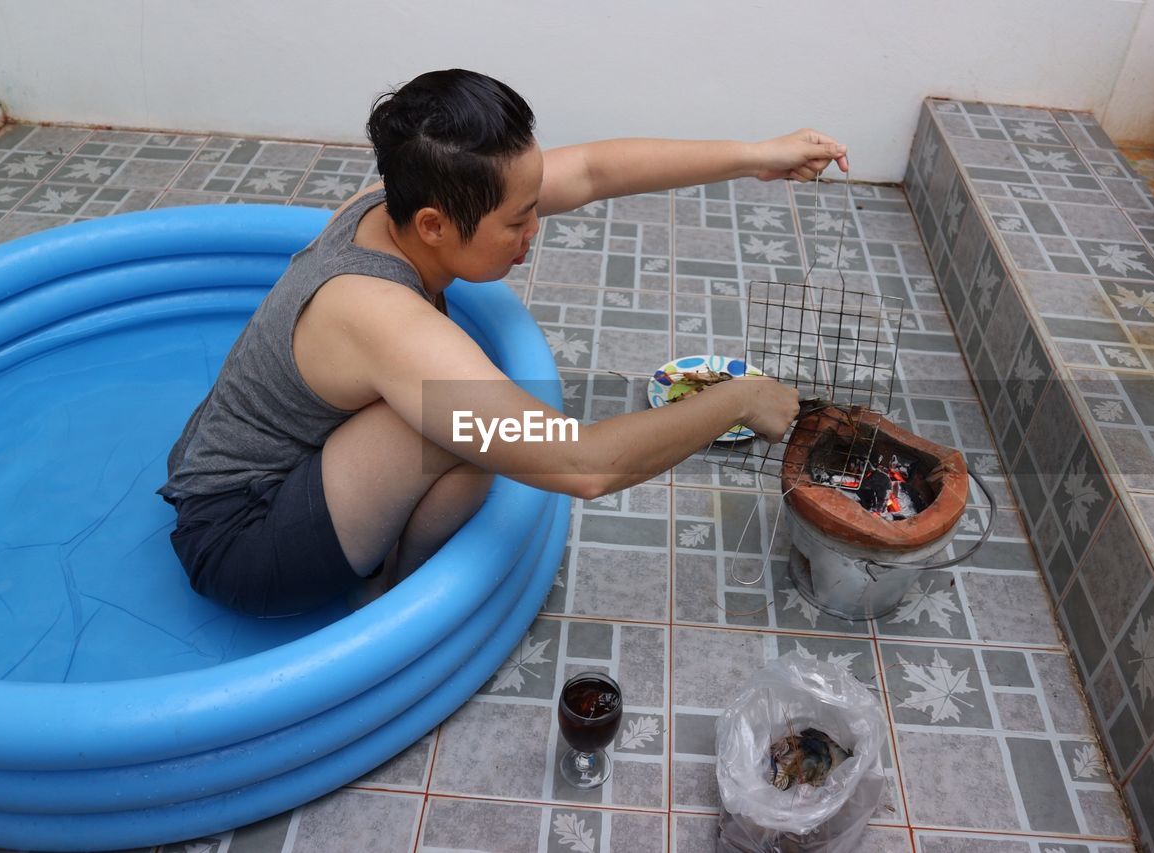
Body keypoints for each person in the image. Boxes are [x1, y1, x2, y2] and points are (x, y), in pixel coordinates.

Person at [158, 68, 849, 617]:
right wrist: (740, 398)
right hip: (241, 539)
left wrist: (759, 155)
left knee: (468, 412)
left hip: (266, 465)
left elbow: (597, 172)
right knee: (464, 418)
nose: (535, 230)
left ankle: (395, 573)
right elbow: (585, 465)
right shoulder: (381, 317)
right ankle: (392, 604)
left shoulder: (391, 200)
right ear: (433, 224)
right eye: (517, 221)